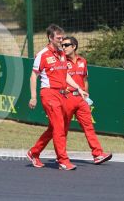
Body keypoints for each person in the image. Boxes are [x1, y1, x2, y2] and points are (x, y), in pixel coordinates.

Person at [27, 24, 88, 170]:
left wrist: (79, 88)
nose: (61, 40)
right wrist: (33, 97)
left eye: (62, 37)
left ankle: (34, 152)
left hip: (62, 94)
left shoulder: (61, 54)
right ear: (50, 38)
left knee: (55, 127)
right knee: (59, 126)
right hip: (48, 93)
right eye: (58, 38)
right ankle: (62, 160)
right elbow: (33, 76)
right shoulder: (42, 54)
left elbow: (65, 74)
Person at [62, 36, 112, 164]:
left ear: (74, 46)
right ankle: (61, 157)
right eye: (62, 45)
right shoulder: (61, 62)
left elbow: (85, 80)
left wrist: (86, 96)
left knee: (88, 127)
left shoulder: (83, 61)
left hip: (80, 99)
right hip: (67, 98)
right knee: (62, 129)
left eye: (66, 45)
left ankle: (98, 154)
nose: (64, 47)